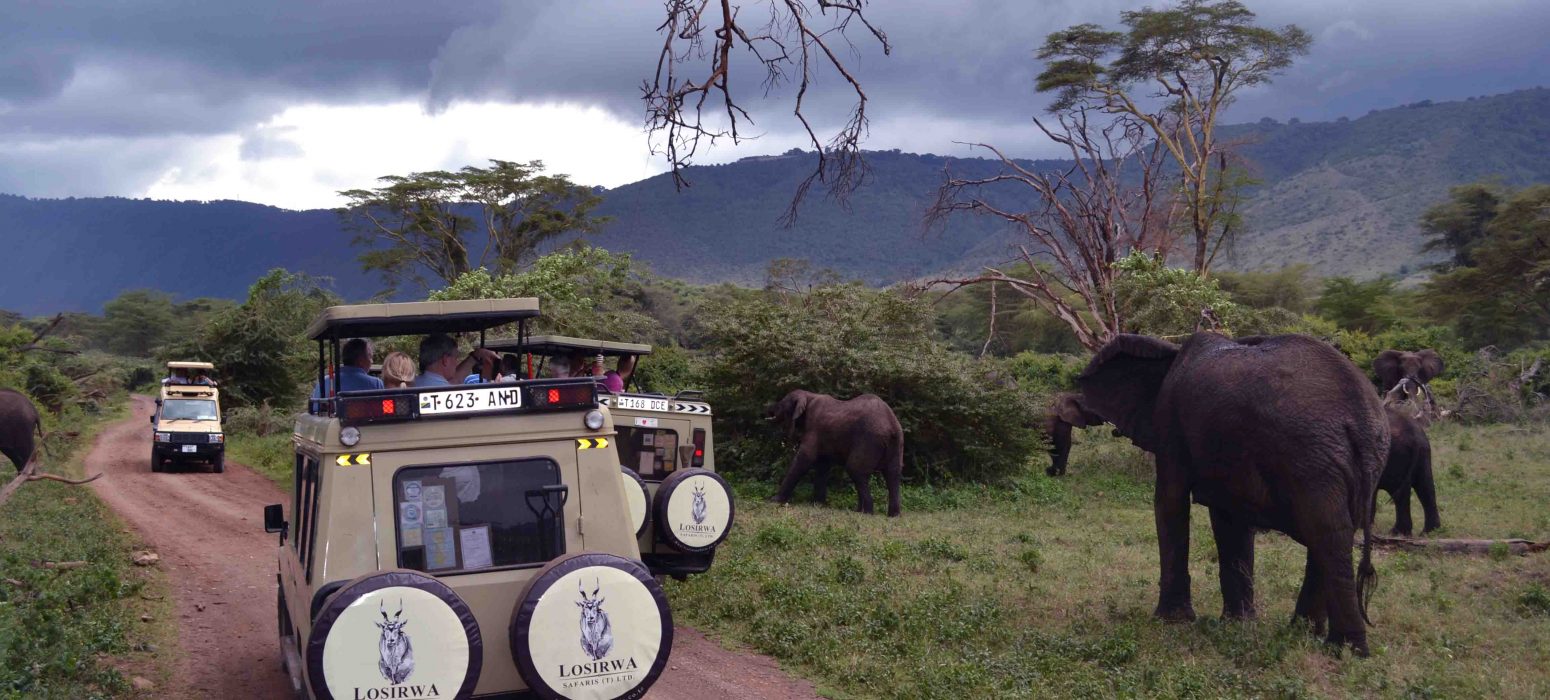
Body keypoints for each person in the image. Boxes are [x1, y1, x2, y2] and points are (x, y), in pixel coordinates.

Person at [312, 338, 384, 402]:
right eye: (370, 356)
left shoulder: (325, 382)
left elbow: (315, 409)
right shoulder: (376, 384)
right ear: (361, 360)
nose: (372, 361)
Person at [413, 334, 498, 387]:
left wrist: (475, 356)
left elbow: (455, 380)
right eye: (456, 358)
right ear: (445, 360)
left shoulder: (411, 385)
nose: (457, 363)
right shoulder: (451, 394)